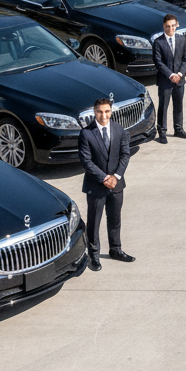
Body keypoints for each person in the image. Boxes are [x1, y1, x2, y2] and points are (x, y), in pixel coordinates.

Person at [78, 97, 134, 270]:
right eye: (100, 112)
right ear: (95, 112)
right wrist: (104, 178)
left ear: (111, 111)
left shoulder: (120, 130)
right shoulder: (86, 133)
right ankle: (93, 255)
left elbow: (125, 154)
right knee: (94, 222)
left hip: (117, 185)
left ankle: (115, 249)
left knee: (115, 219)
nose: (104, 115)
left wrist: (116, 176)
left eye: (107, 111)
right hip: (96, 186)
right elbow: (86, 161)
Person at [151, 13, 186, 143]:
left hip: (179, 80)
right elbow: (158, 62)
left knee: (178, 105)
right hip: (165, 81)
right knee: (164, 106)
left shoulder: (181, 39)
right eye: (168, 26)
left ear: (177, 25)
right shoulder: (158, 43)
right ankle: (162, 132)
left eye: (173, 26)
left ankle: (178, 129)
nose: (171, 29)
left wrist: (179, 74)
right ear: (164, 26)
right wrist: (171, 75)